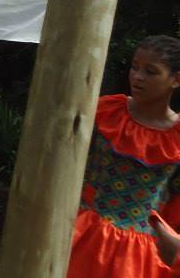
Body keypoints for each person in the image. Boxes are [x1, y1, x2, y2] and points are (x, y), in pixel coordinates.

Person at [66, 35, 180, 278]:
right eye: (135, 67)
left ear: (176, 79)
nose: (137, 76)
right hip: (81, 231)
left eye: (151, 71)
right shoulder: (106, 110)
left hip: (135, 256)